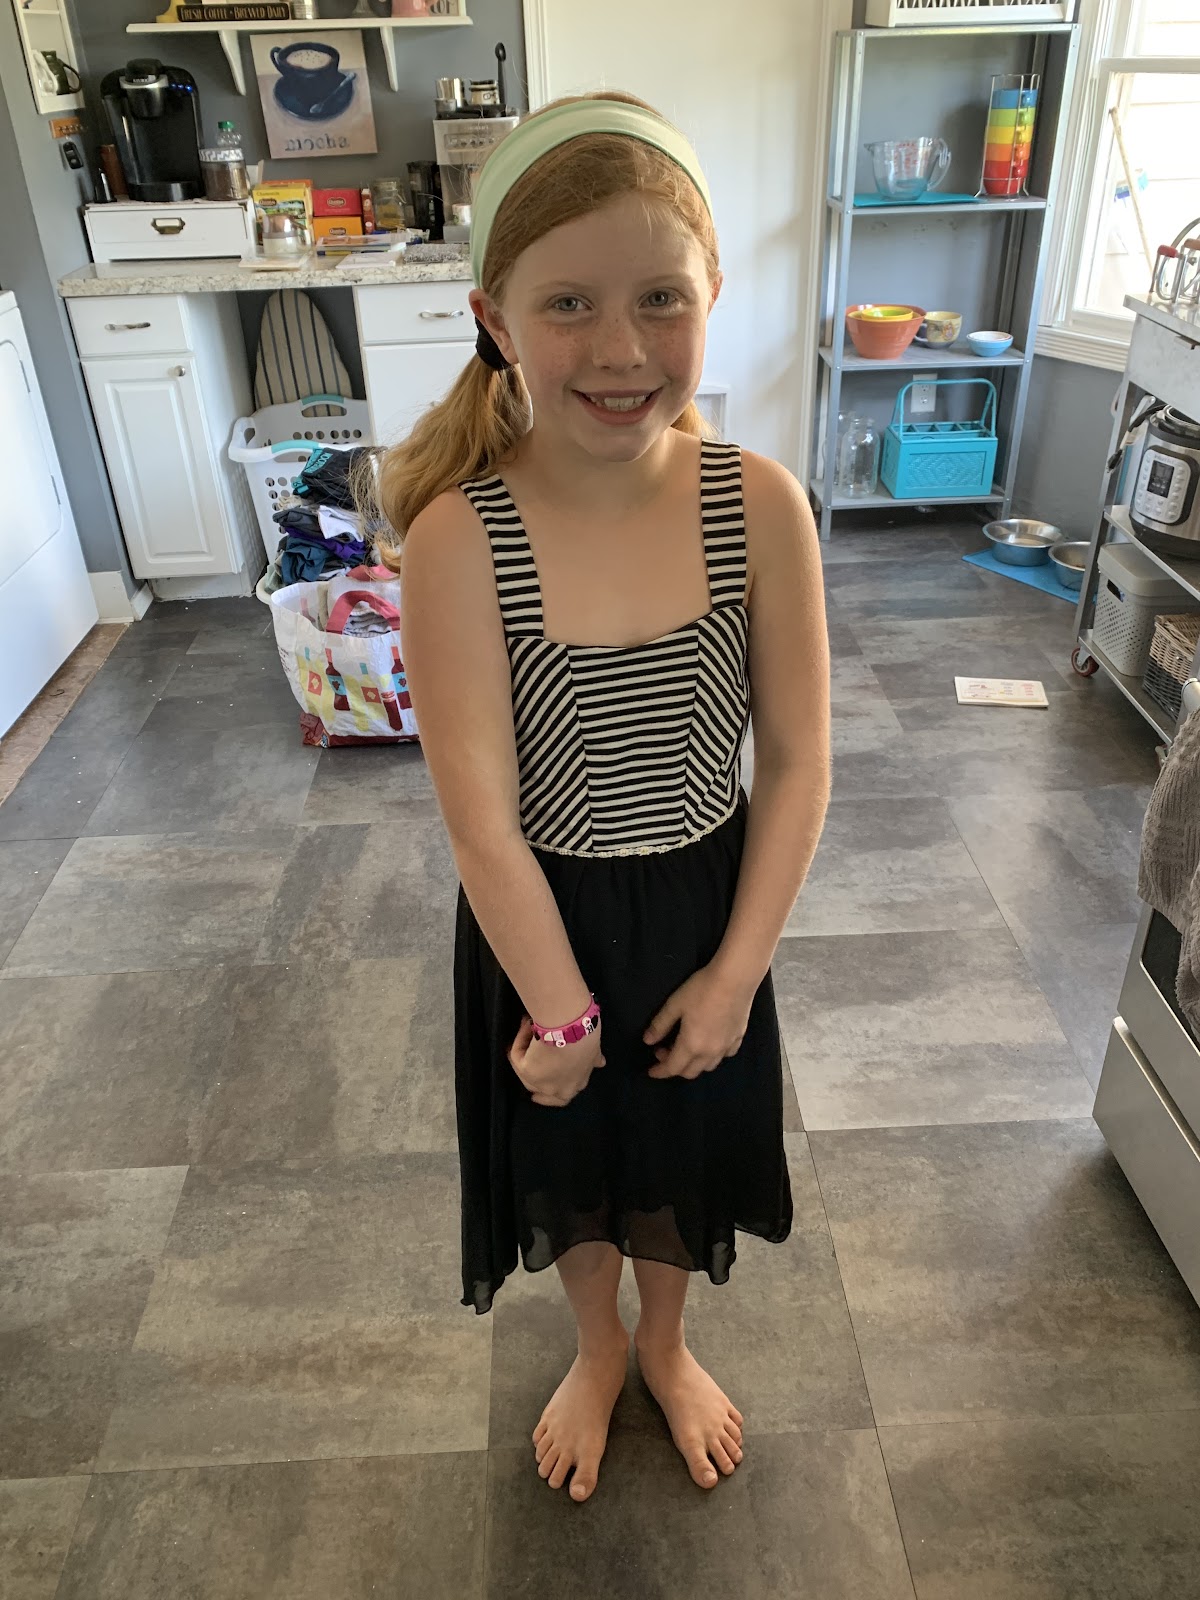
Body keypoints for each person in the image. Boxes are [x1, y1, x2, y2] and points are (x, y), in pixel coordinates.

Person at [379, 91, 831, 1504]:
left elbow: (798, 761)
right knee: (570, 1153)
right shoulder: (459, 540)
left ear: (714, 294)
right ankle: (596, 1346)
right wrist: (562, 1015)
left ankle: (669, 1342)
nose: (623, 349)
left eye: (659, 298)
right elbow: (480, 819)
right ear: (495, 319)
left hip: (707, 908)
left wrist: (738, 973)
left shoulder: (761, 505)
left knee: (680, 1147)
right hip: (542, 924)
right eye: (568, 303)